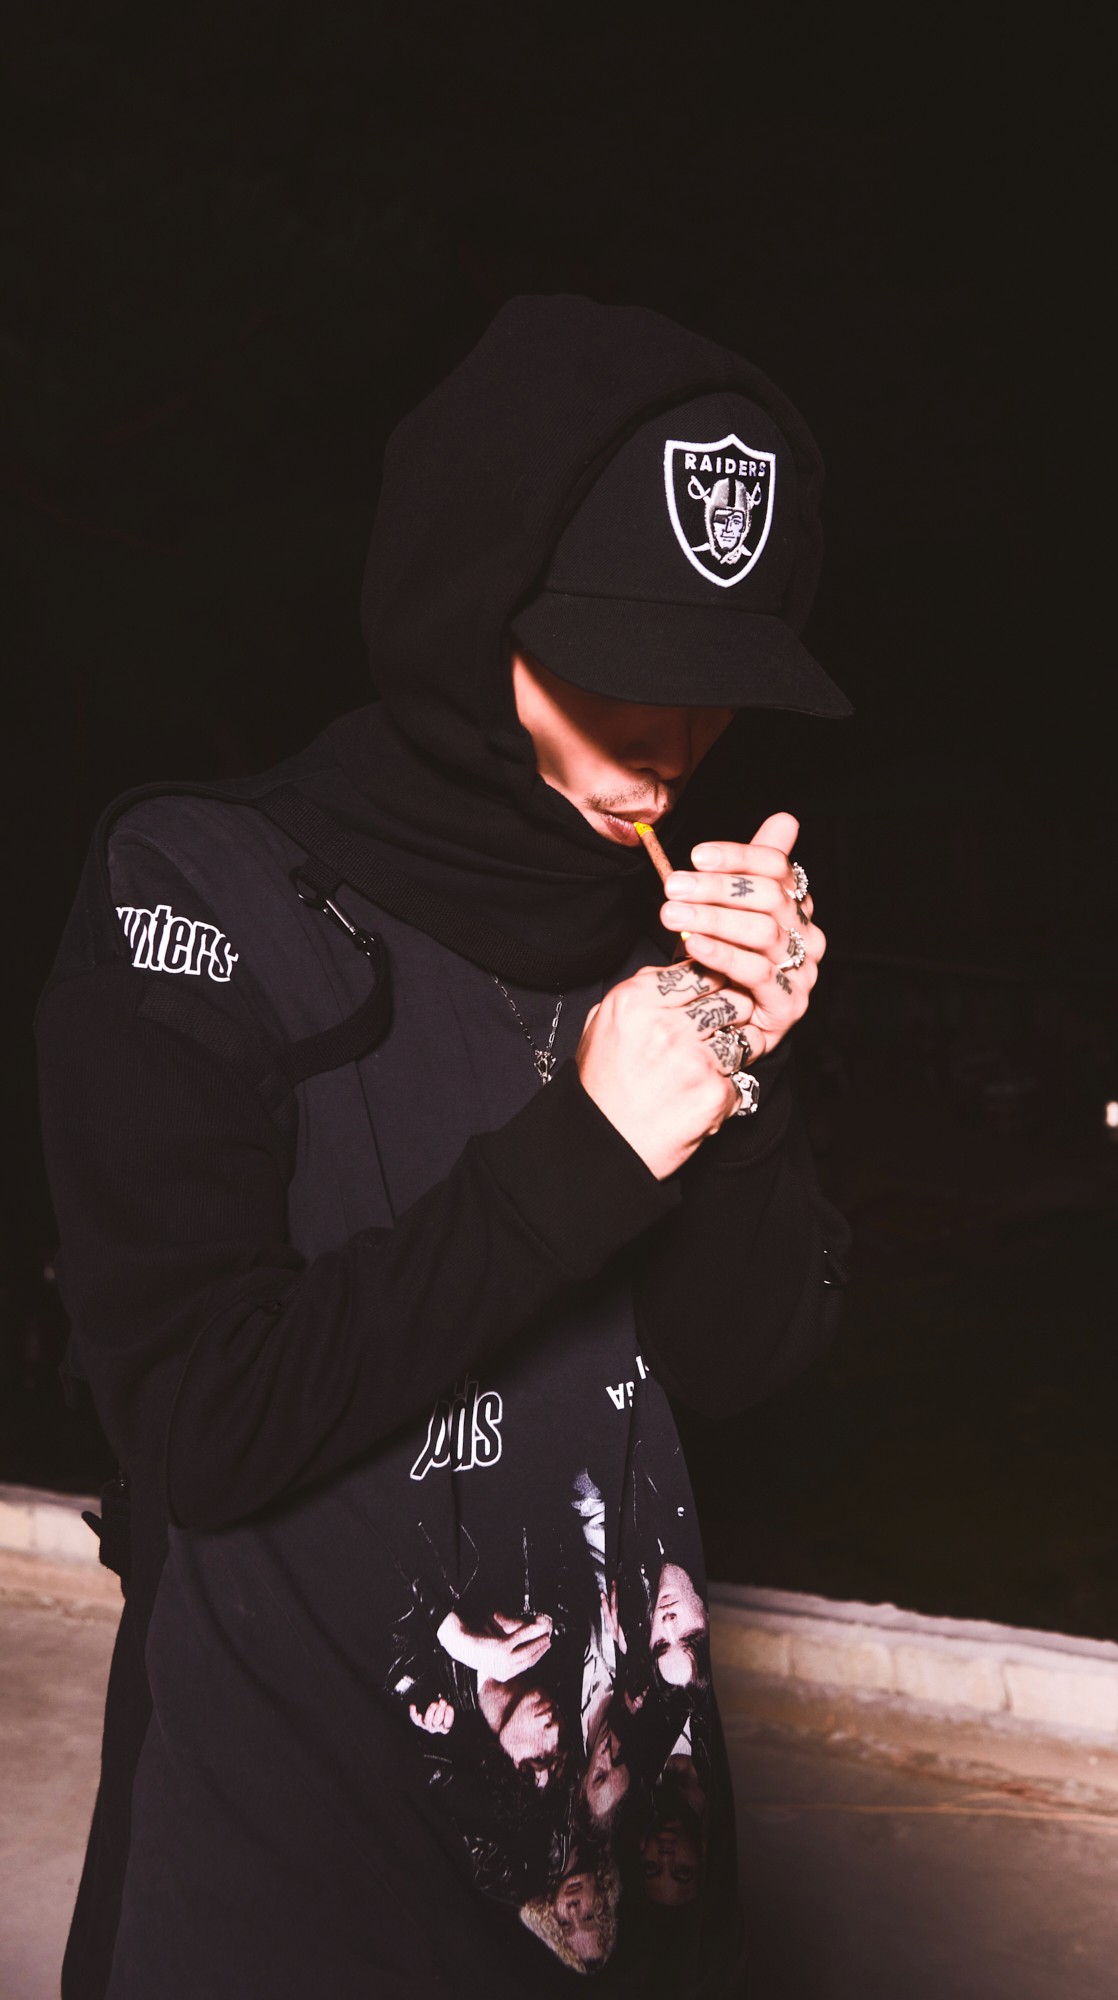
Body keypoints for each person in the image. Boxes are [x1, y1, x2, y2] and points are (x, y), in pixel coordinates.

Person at [38, 293, 852, 1997]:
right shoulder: (201, 892)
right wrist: (588, 1149)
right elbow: (199, 1425)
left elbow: (741, 1364)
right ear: (461, 609)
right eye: (612, 663)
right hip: (289, 1891)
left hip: (613, 1871)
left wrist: (742, 1080)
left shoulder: (647, 933)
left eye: (711, 684)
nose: (666, 741)